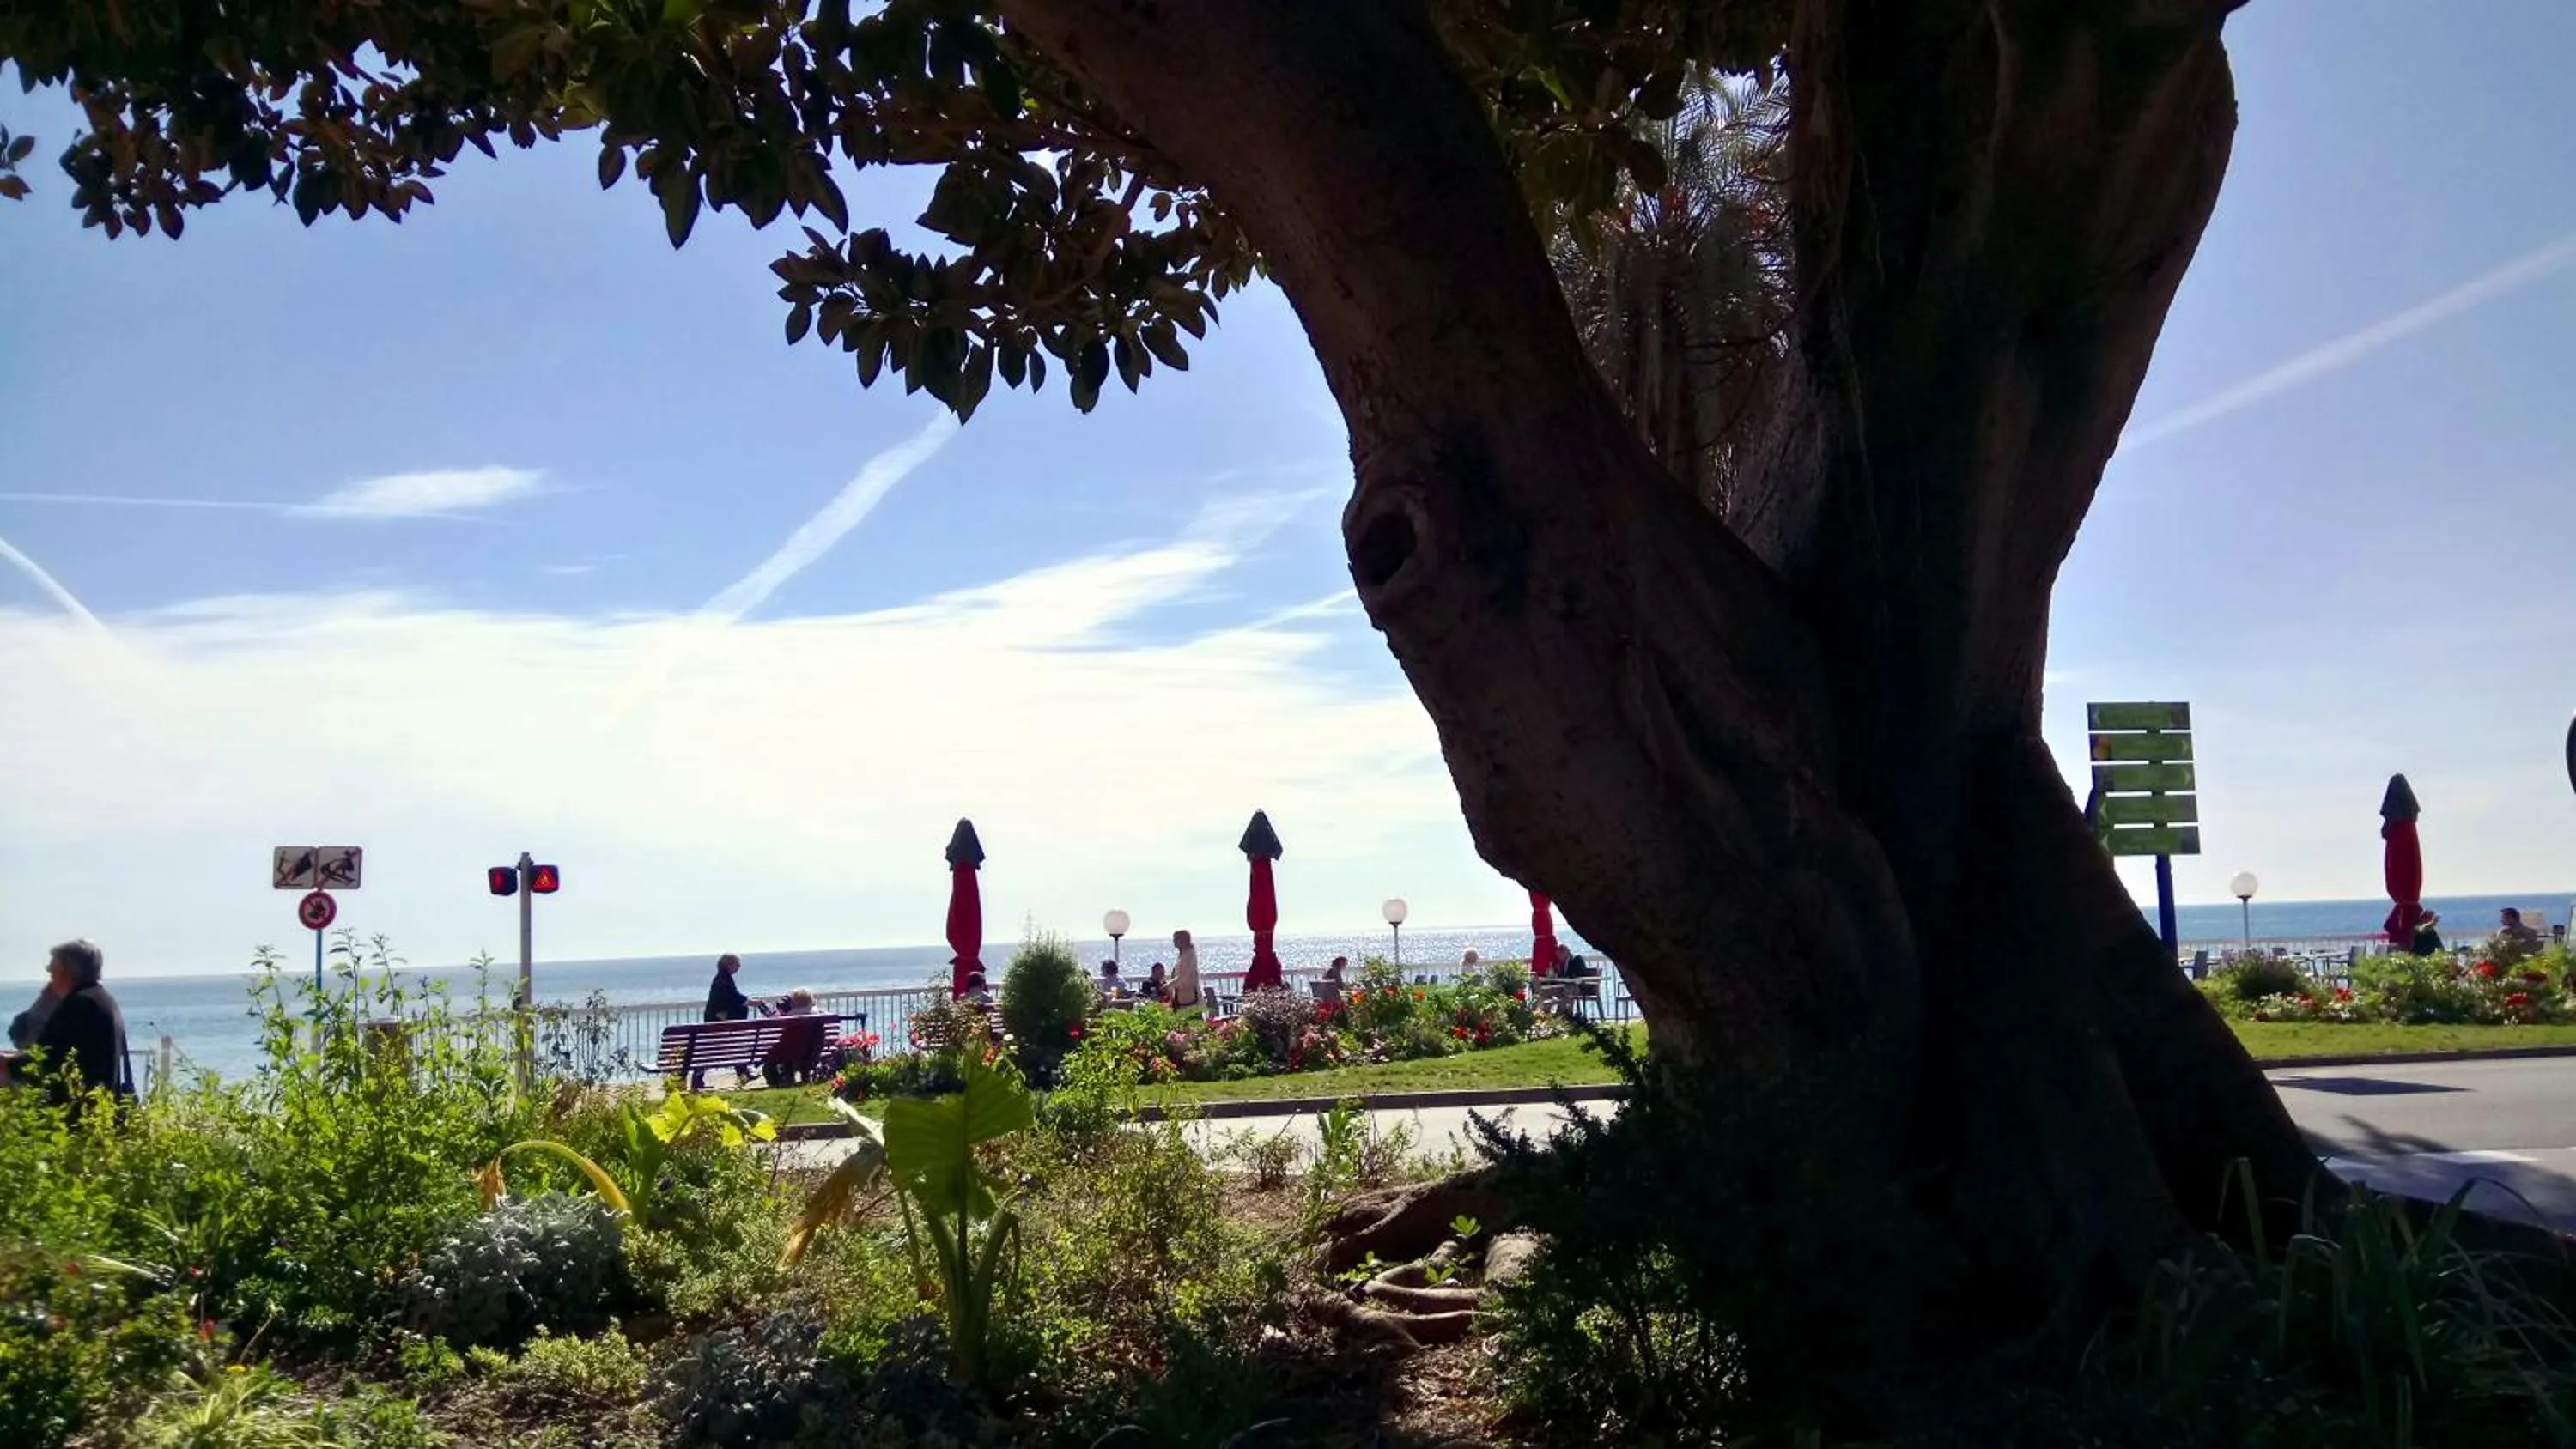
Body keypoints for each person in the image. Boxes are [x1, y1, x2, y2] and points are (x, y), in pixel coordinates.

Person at [2, 940, 130, 1108]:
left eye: (51, 969)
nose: (50, 976)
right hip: (98, 1107)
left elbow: (49, 1058)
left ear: (66, 972)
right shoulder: (102, 999)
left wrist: (8, 1064)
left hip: (75, 1112)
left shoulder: (79, 1005)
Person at [694, 954, 752, 1089]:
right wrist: (749, 1002)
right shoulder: (723, 980)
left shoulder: (722, 979)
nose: (739, 967)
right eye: (737, 963)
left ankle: (743, 1074)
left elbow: (730, 999)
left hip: (716, 1024)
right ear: (728, 964)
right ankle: (743, 1074)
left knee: (716, 1049)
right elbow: (734, 997)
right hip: (718, 1024)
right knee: (733, 1045)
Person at [1169, 929, 1202, 1010]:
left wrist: (1167, 986)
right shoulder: (1182, 954)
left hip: (1188, 996)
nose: (1174, 941)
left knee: (1190, 1019)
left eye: (1176, 939)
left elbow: (1183, 976)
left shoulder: (1189, 955)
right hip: (1180, 995)